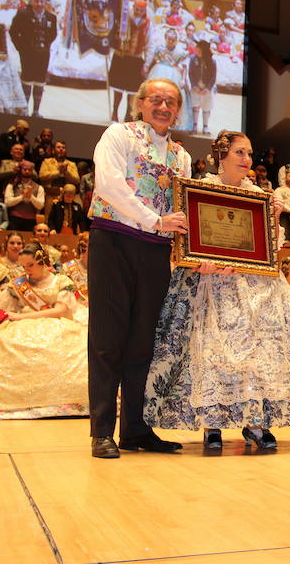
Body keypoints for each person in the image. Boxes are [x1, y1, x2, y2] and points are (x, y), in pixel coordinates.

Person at [144, 130, 290, 451]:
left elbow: (268, 247)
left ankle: (254, 422)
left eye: (250, 154)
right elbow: (187, 236)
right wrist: (200, 261)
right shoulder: (201, 189)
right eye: (240, 153)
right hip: (210, 285)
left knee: (257, 354)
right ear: (222, 156)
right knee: (211, 351)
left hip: (254, 287)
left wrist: (271, 220)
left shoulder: (258, 195)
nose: (247, 160)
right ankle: (212, 423)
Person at [87, 78, 191, 459]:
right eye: (156, 100)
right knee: (107, 338)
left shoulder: (182, 155)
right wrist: (154, 219)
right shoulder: (118, 135)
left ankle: (135, 429)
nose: (163, 106)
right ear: (141, 103)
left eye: (171, 101)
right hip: (113, 241)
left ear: (178, 110)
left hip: (155, 252)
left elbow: (185, 206)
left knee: (143, 343)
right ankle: (102, 431)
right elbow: (110, 184)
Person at [0, 241, 88, 419]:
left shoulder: (61, 281)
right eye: (23, 266)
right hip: (21, 326)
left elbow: (61, 311)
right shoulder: (18, 284)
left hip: (57, 324)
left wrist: (22, 317)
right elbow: (5, 309)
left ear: (43, 261)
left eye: (31, 265)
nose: (27, 270)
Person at [8, 0, 57, 118]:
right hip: (27, 54)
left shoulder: (51, 17)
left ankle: (36, 111)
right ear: (31, 1)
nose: (39, 4)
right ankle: (24, 110)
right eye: (36, 1)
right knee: (27, 80)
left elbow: (53, 34)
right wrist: (21, 48)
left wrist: (45, 45)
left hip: (43, 54)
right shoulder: (22, 14)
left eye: (42, 1)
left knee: (40, 81)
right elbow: (13, 32)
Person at [109, 0, 150, 123]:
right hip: (121, 57)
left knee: (132, 90)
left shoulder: (148, 24)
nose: (138, 12)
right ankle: (115, 112)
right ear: (133, 8)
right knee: (118, 87)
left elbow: (149, 44)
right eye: (137, 9)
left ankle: (128, 114)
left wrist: (147, 64)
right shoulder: (124, 19)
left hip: (136, 60)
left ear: (145, 11)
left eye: (141, 10)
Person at [38, 140, 79, 216]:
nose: (61, 149)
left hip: (67, 196)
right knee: (50, 218)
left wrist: (66, 172)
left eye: (63, 147)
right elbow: (42, 176)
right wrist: (59, 172)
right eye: (58, 147)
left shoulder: (71, 164)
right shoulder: (47, 162)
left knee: (66, 219)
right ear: (53, 150)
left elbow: (77, 180)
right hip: (51, 194)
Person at [4, 160, 44, 230]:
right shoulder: (12, 185)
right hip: (15, 219)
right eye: (25, 169)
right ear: (20, 170)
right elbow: (7, 202)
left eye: (29, 170)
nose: (27, 171)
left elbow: (40, 206)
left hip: (31, 221)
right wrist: (22, 197)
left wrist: (30, 196)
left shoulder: (39, 187)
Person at [188, 40, 216, 135]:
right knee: (195, 106)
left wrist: (207, 88)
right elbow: (190, 73)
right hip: (196, 87)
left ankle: (205, 126)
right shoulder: (192, 59)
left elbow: (213, 77)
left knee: (206, 107)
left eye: (200, 51)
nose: (197, 53)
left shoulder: (212, 61)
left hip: (207, 89)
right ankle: (194, 125)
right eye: (197, 51)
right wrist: (194, 86)